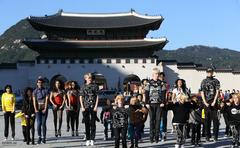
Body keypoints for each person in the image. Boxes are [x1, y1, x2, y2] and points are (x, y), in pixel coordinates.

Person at [143, 68, 167, 143]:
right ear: (153, 74)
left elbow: (163, 93)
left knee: (158, 120)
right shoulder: (148, 83)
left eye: (158, 74)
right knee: (151, 120)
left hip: (159, 104)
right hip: (150, 104)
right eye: (156, 74)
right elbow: (146, 94)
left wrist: (163, 102)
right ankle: (151, 136)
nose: (157, 75)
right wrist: (146, 103)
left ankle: (156, 136)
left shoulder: (162, 83)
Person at [200, 68, 220, 142]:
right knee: (206, 120)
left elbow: (217, 91)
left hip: (213, 102)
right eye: (208, 72)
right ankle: (207, 136)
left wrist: (214, 101)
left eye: (210, 72)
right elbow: (202, 92)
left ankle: (215, 136)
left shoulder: (216, 81)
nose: (209, 73)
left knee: (215, 120)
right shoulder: (203, 81)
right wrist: (205, 102)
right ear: (206, 73)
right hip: (206, 102)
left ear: (212, 72)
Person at [80, 73, 99, 146]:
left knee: (93, 123)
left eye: (90, 77)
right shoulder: (83, 87)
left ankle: (92, 139)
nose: (90, 79)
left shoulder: (95, 86)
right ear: (85, 78)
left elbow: (97, 96)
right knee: (87, 123)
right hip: (86, 107)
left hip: (93, 106)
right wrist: (82, 106)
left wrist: (96, 106)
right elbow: (81, 97)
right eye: (88, 78)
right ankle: (88, 139)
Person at [33, 77, 49, 144]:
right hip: (38, 109)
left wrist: (45, 108)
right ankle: (39, 136)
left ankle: (44, 137)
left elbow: (47, 100)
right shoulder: (35, 91)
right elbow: (34, 101)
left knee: (43, 123)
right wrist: (35, 109)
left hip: (44, 108)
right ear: (37, 83)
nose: (40, 83)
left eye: (41, 82)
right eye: (39, 82)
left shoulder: (46, 90)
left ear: (43, 83)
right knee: (39, 123)